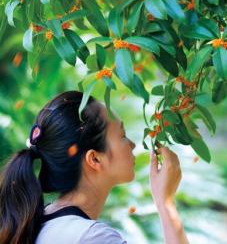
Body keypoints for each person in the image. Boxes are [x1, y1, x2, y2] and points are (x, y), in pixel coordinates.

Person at [0, 91, 189, 244]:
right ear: (95, 159)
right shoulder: (92, 237)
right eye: (122, 135)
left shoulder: (43, 224)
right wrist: (165, 204)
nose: (131, 144)